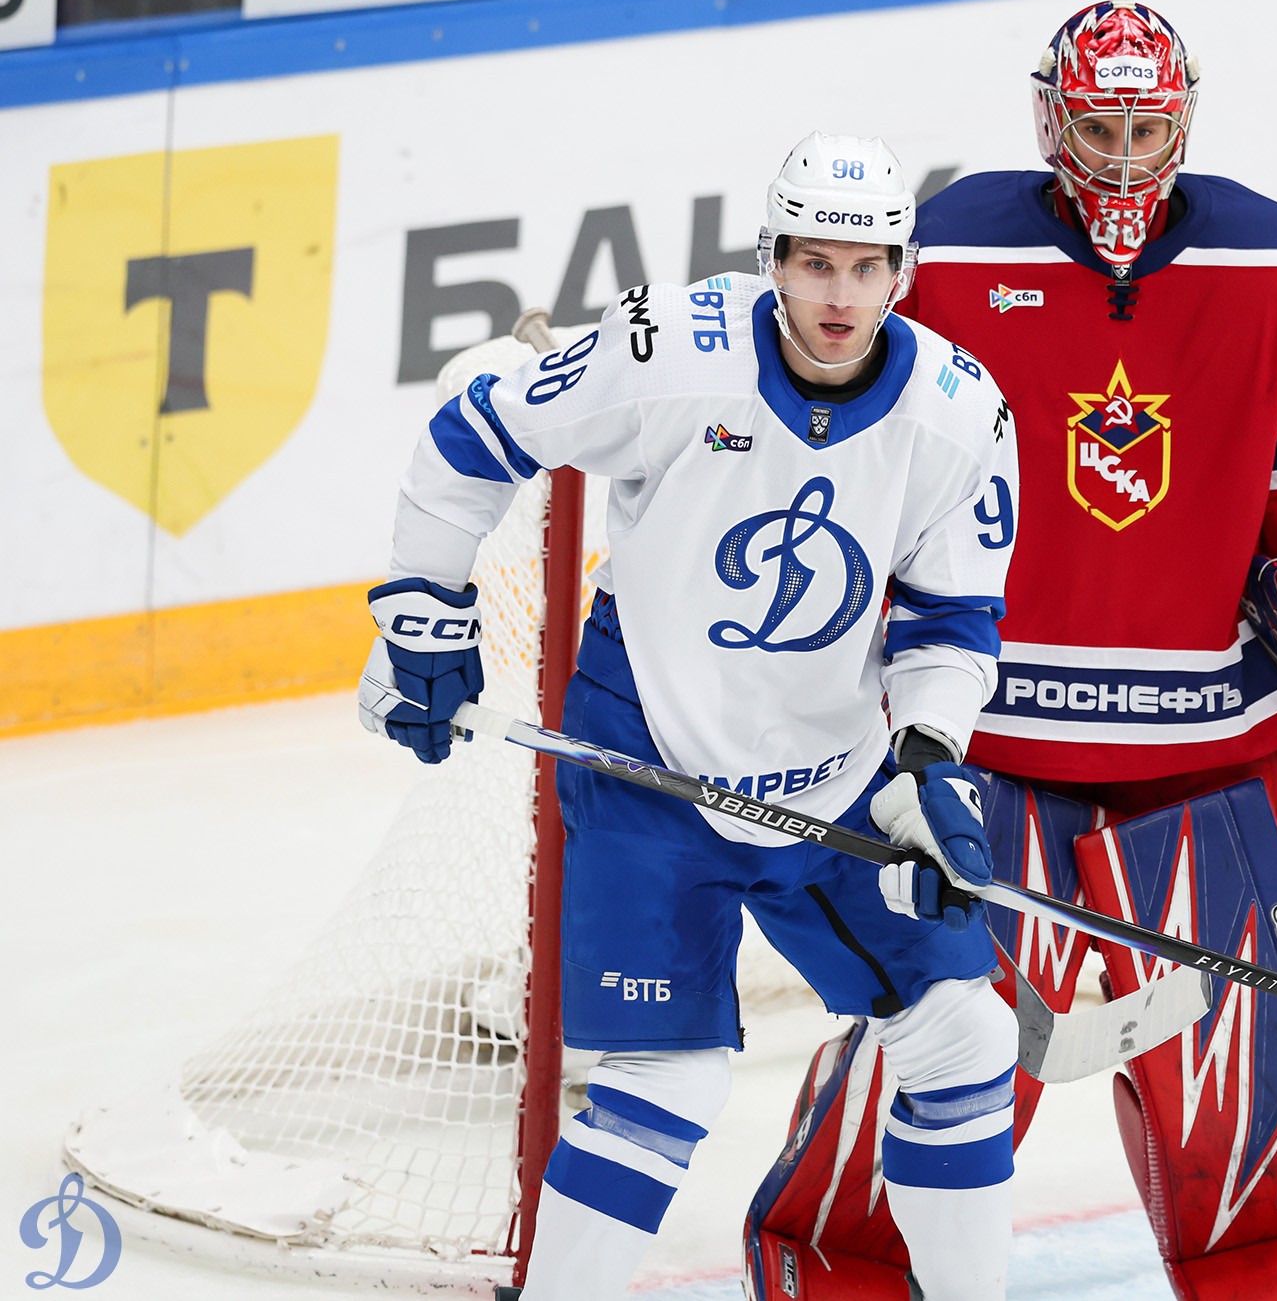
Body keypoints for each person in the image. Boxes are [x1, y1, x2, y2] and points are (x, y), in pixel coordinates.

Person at [747, 0, 1277, 1300]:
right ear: (1048, 118)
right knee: (923, 1085)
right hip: (980, 751)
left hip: (1207, 762)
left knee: (1253, 1119)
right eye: (1097, 127)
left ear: (1181, 121)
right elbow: (841, 441)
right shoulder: (951, 251)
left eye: (1144, 129)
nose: (1122, 158)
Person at [357, 133, 1023, 1301]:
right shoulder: (671, 349)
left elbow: (949, 619)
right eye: (814, 264)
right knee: (665, 1084)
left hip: (833, 776)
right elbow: (476, 431)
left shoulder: (958, 413)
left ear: (901, 272)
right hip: (647, 766)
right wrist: (424, 612)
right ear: (772, 260)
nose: (839, 296)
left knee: (966, 1038)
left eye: (865, 268)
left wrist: (928, 761)